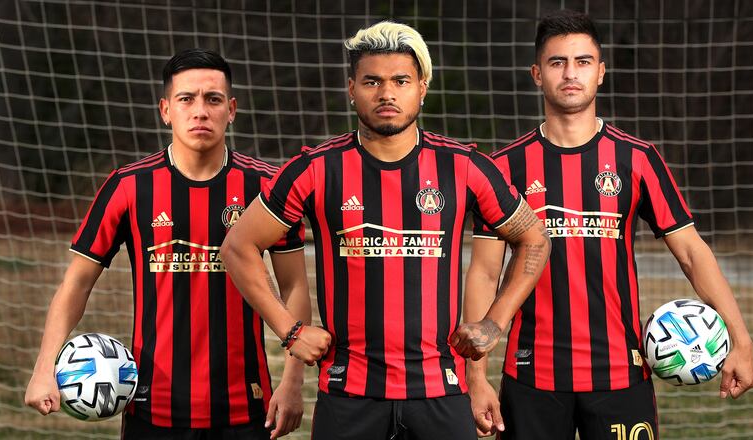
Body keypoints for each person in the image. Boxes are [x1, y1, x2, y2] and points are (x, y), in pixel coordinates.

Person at [221, 21, 551, 440]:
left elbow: (535, 239)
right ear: (351, 88)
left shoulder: (464, 166)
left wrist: (495, 324)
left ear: (422, 87)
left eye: (401, 80)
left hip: (442, 392)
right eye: (372, 81)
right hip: (348, 393)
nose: (387, 93)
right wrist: (289, 331)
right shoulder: (315, 168)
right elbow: (237, 245)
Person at [466, 10, 753, 439]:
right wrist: (476, 378)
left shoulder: (637, 159)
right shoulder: (503, 166)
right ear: (536, 74)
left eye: (583, 62)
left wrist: (742, 339)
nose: (570, 73)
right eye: (557, 62)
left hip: (620, 373)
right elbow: (485, 272)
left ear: (600, 72)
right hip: (531, 376)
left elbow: (693, 252)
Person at [24, 48, 310, 440]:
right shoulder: (129, 186)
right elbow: (76, 284)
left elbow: (295, 285)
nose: (200, 111)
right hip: (151, 409)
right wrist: (43, 369)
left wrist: (293, 383)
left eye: (212, 99)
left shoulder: (265, 186)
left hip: (244, 406)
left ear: (231, 109)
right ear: (165, 109)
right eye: (186, 99)